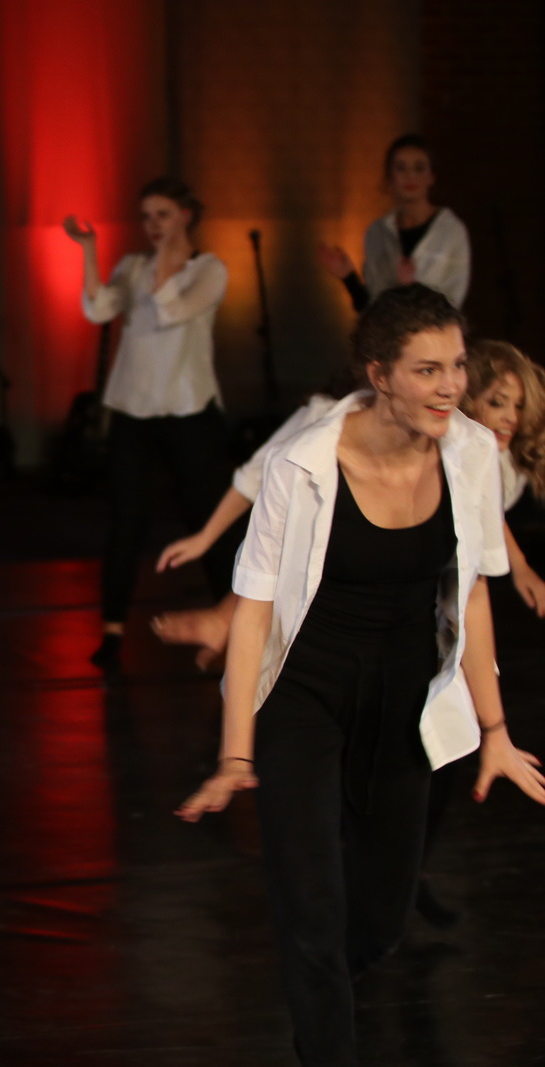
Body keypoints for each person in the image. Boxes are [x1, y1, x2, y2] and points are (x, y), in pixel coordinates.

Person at [175, 285, 545, 1065]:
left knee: (378, 918)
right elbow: (252, 614)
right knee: (311, 912)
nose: (450, 386)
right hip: (304, 697)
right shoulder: (303, 462)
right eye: (426, 370)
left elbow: (474, 592)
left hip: (403, 700)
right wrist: (235, 753)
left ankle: (321, 992)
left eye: (456, 366)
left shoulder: (471, 452)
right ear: (379, 374)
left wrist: (496, 729)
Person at [153, 339, 545, 664]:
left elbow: (484, 514)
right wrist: (206, 537)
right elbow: (259, 475)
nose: (510, 417)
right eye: (497, 403)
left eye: (518, 406)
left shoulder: (496, 458)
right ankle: (232, 627)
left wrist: (520, 567)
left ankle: (235, 632)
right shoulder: (340, 430)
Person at [63, 177, 232, 666]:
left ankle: (232, 623)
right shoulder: (133, 266)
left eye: (162, 214)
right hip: (134, 410)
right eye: (146, 217)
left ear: (185, 216)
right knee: (126, 520)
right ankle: (112, 630)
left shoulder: (208, 269)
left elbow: (173, 310)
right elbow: (98, 307)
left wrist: (164, 266)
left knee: (208, 518)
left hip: (189, 408)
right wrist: (89, 250)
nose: (153, 225)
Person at [317, 134, 470, 311]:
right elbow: (372, 307)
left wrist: (411, 290)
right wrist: (348, 277)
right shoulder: (377, 232)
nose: (410, 176)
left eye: (419, 168)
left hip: (431, 327)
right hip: (387, 328)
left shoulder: (450, 231)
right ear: (390, 177)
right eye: (401, 168)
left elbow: (452, 304)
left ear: (431, 176)